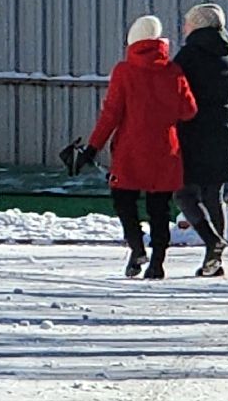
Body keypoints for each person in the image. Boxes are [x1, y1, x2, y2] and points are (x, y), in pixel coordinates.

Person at [72, 15, 197, 279]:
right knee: (160, 209)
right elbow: (189, 111)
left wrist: (92, 148)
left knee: (123, 200)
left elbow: (111, 115)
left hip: (131, 150)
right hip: (166, 150)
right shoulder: (174, 72)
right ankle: (158, 263)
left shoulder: (124, 71)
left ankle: (137, 246)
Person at [173, 3, 228, 278]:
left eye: (188, 23)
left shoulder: (189, 55)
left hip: (194, 131)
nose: (184, 28)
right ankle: (215, 258)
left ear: (197, 25)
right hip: (225, 129)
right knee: (214, 194)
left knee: (183, 192)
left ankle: (213, 242)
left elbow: (176, 91)